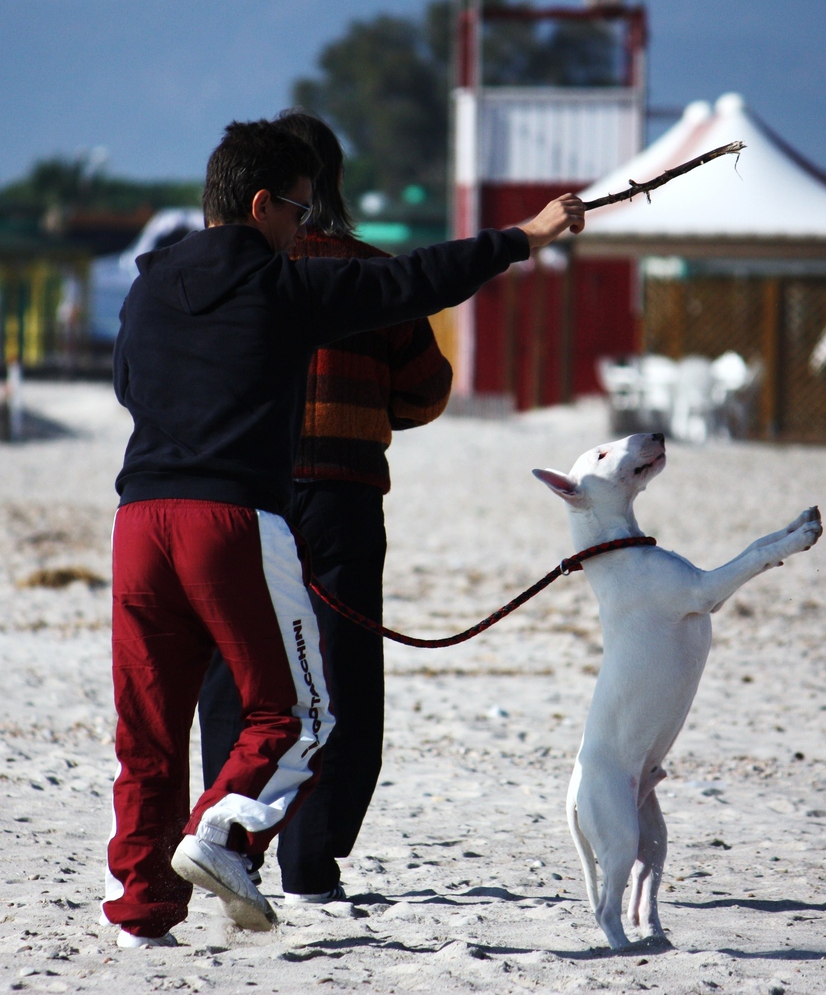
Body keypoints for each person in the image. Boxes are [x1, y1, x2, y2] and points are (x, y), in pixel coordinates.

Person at [104, 116, 585, 949]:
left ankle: (141, 917)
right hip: (231, 521)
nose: (301, 227)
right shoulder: (280, 287)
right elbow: (417, 283)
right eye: (294, 211)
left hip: (138, 523)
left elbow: (128, 386)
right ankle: (227, 837)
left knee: (148, 729)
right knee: (301, 710)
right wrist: (525, 236)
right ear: (259, 205)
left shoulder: (148, 286)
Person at [197, 109, 452, 903]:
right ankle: (313, 860)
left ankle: (224, 837)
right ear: (329, 182)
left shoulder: (217, 276)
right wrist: (366, 406)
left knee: (233, 665)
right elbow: (428, 392)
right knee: (340, 673)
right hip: (340, 494)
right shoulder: (369, 274)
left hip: (239, 490)